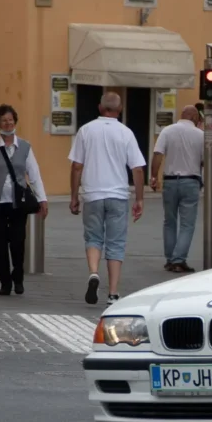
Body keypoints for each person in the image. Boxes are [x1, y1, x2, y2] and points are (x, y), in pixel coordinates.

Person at [68, 92, 146, 306]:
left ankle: (94, 272)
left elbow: (76, 166)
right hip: (118, 195)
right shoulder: (126, 133)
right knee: (116, 243)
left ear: (99, 108)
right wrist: (139, 199)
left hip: (92, 194)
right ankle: (112, 293)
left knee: (93, 238)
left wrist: (74, 195)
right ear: (119, 110)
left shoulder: (85, 130)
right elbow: (137, 168)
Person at [0, 104, 49, 296]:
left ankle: (18, 276)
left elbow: (35, 174)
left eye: (11, 119)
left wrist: (43, 199)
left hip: (18, 203)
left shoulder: (25, 147)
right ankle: (5, 283)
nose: (8, 123)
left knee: (17, 242)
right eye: (4, 120)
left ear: (15, 121)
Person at [149, 105, 204, 273]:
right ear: (195, 118)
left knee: (169, 221)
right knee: (187, 224)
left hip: (170, 182)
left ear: (182, 115)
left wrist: (153, 177)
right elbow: (206, 160)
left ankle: (170, 259)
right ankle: (179, 260)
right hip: (190, 181)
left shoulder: (167, 131)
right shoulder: (201, 135)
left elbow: (158, 154)